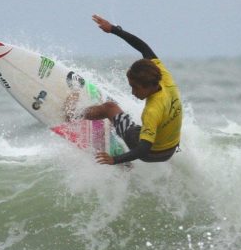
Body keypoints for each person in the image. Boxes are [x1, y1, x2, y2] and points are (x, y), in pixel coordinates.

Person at [78, 14, 183, 165]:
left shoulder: (152, 111)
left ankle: (74, 115)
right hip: (171, 148)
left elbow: (143, 149)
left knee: (110, 107)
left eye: (136, 88)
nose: (133, 92)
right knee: (142, 129)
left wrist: (115, 160)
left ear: (149, 86)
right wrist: (114, 30)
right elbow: (144, 47)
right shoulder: (165, 79)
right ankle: (125, 155)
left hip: (152, 153)